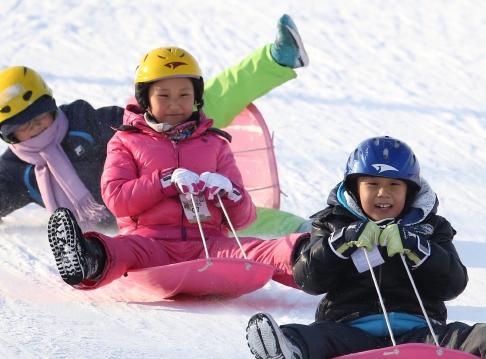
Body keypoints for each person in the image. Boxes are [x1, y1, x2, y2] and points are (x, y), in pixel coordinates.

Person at [245, 136, 486, 359]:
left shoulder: (431, 228)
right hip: (350, 328)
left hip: (420, 330)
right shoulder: (331, 224)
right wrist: (338, 244)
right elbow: (307, 280)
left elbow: (453, 283)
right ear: (354, 188)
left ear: (410, 190)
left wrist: (418, 249)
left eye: (395, 185)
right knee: (320, 336)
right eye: (373, 184)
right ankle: (291, 354)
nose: (383, 193)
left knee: (461, 337)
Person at [0, 15, 309, 232]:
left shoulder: (82, 121)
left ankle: (275, 59)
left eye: (42, 116)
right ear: (8, 134)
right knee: (226, 218)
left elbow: (128, 120)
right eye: (24, 127)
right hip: (143, 212)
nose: (37, 128)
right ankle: (307, 231)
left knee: (197, 101)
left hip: (161, 155)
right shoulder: (18, 169)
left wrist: (158, 118)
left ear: (53, 106)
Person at [46, 45, 309, 290]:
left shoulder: (215, 144)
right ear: (145, 99)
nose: (175, 104)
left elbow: (244, 219)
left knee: (254, 250)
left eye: (184, 95)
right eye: (164, 96)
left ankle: (310, 255)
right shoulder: (126, 142)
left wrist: (230, 192)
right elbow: (116, 199)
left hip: (210, 245)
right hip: (150, 243)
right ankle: (88, 257)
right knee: (124, 250)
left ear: (196, 97)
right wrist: (164, 182)